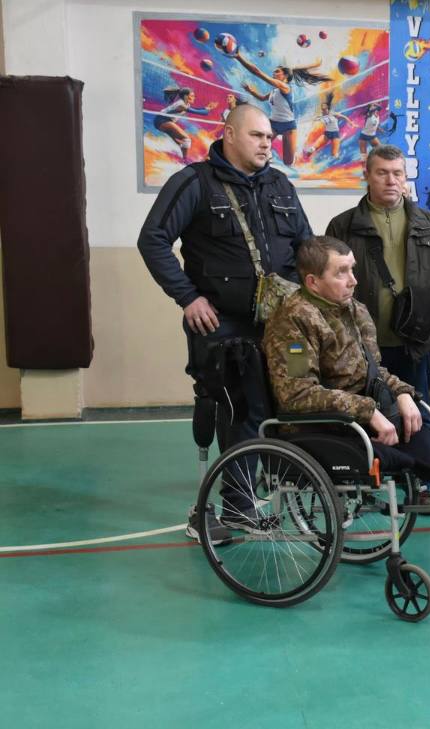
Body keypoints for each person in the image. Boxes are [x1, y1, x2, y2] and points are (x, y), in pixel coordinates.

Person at [138, 104, 313, 543]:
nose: (267, 144)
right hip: (225, 327)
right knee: (241, 407)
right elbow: (152, 239)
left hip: (285, 325)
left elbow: (306, 247)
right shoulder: (194, 183)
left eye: (270, 137)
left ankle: (289, 489)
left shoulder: (280, 185)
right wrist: (187, 297)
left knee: (297, 394)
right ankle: (237, 505)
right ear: (229, 134)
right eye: (257, 136)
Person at [325, 144, 430, 511]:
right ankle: (365, 482)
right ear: (367, 176)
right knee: (364, 414)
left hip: (413, 344)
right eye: (382, 173)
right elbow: (328, 284)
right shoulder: (343, 226)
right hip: (359, 348)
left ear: (405, 178)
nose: (390, 180)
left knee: (416, 413)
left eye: (397, 173)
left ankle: (420, 484)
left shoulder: (428, 225)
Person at [262, 236, 430, 482]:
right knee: (404, 459)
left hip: (357, 420)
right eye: (341, 272)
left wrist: (402, 393)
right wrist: (368, 411)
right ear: (313, 282)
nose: (353, 280)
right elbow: (298, 394)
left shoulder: (355, 310)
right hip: (320, 426)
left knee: (427, 450)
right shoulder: (293, 322)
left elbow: (374, 371)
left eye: (352, 269)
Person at [236, 53, 331, 165]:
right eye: (274, 72)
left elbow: (257, 72)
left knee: (288, 162)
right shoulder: (274, 91)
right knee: (257, 147)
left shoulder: (285, 87)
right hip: (273, 124)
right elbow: (261, 98)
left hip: (288, 126)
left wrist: (238, 56)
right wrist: (250, 91)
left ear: (285, 76)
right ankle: (266, 157)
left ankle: (293, 154)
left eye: (277, 71)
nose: (273, 73)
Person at [153, 85, 217, 161]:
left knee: (181, 142)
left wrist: (207, 108)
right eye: (192, 96)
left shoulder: (186, 104)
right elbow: (200, 112)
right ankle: (185, 160)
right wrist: (208, 109)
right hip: (162, 120)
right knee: (186, 139)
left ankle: (183, 159)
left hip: (163, 121)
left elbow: (197, 109)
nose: (194, 98)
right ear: (186, 97)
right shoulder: (181, 105)